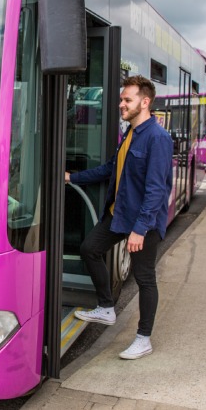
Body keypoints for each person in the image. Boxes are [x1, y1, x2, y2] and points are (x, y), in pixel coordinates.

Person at [65, 75, 173, 360]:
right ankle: (106, 307)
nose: (120, 104)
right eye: (122, 99)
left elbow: (155, 190)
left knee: (144, 278)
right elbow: (109, 170)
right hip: (120, 214)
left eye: (127, 100)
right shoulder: (130, 134)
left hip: (142, 222)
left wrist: (140, 229)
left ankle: (143, 338)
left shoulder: (158, 138)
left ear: (144, 102)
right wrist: (71, 177)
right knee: (90, 248)